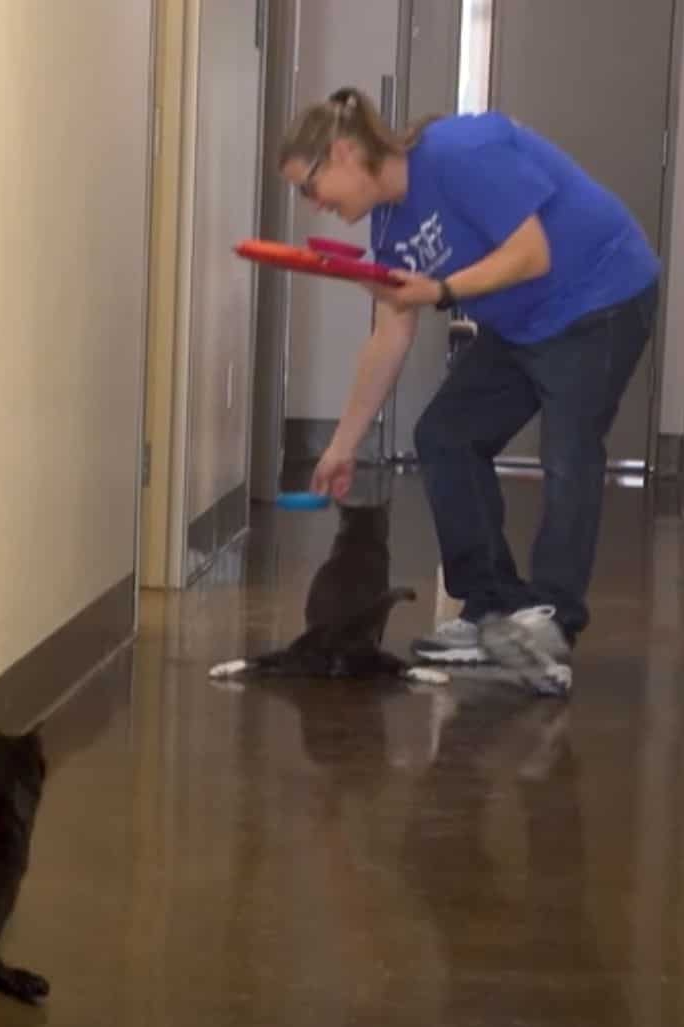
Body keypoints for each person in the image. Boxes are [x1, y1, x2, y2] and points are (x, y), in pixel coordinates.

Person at [279, 87, 661, 698]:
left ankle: (550, 631)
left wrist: (440, 291)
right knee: (445, 434)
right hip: (526, 322)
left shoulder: (459, 152)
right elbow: (389, 336)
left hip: (601, 297)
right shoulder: (390, 226)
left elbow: (531, 253)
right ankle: (492, 609)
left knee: (567, 452)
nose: (313, 204)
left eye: (310, 185)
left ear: (345, 153)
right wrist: (342, 446)